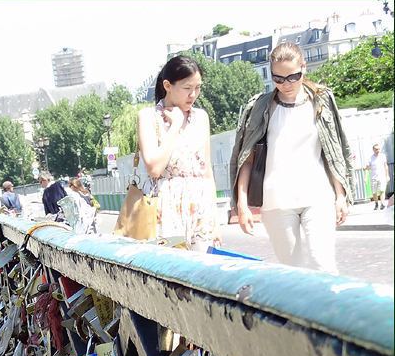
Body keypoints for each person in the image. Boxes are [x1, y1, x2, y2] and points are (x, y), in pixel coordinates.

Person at [230, 42, 353, 275]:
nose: (286, 84)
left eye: (293, 77)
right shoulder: (259, 107)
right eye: (278, 78)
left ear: (303, 68)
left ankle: (329, 311)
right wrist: (242, 204)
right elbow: (245, 158)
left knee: (323, 265)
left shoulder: (321, 101)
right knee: (296, 273)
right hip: (276, 201)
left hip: (318, 195)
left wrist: (340, 195)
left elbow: (334, 150)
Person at [137, 56, 220, 249]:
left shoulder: (201, 117)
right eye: (187, 88)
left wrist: (214, 217)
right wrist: (175, 126)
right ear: (167, 85)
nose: (193, 95)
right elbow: (154, 168)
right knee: (171, 272)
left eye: (197, 88)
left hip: (200, 207)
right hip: (166, 207)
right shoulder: (149, 117)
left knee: (202, 274)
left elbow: (206, 169)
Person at [367, 143, 390, 211]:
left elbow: (386, 166)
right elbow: (368, 168)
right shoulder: (370, 158)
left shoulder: (383, 156)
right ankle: (376, 203)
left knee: (382, 190)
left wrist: (387, 175)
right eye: (376, 149)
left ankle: (382, 203)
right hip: (373, 177)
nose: (378, 150)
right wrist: (367, 167)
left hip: (382, 177)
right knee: (374, 192)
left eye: (379, 149)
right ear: (373, 150)